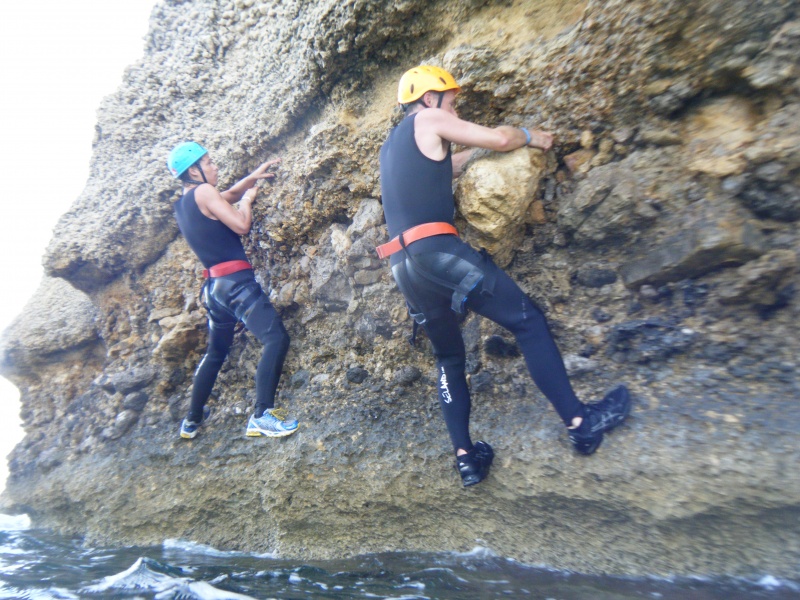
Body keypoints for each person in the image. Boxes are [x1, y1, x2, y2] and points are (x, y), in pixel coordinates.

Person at [377, 66, 631, 487]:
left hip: (403, 267)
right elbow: (498, 138)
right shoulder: (428, 119)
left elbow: (448, 164)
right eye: (451, 102)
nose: (455, 110)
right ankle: (581, 424)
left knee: (449, 357)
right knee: (527, 320)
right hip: (436, 252)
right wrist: (530, 136)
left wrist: (475, 154)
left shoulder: (392, 147)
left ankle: (467, 458)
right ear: (428, 99)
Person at [166, 142, 299, 440]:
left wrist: (252, 178)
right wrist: (248, 202)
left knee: (216, 352)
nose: (215, 167)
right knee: (275, 338)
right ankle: (262, 416)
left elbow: (226, 196)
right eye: (209, 163)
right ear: (193, 170)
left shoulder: (184, 202)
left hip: (214, 291)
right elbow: (240, 224)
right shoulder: (204, 192)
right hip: (236, 284)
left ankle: (192, 420)